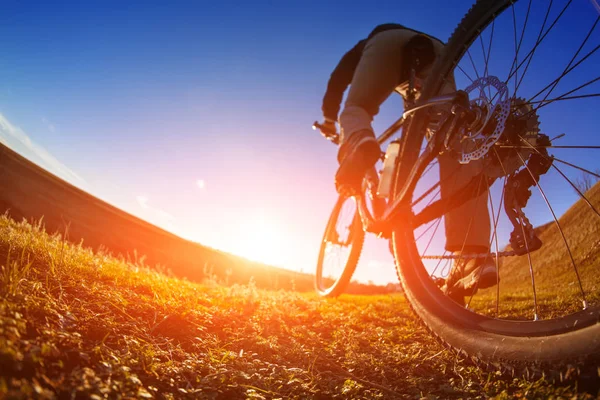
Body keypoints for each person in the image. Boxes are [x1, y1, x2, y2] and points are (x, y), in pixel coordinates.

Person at [318, 23, 498, 305]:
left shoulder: (371, 39)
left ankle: (360, 144)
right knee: (450, 137)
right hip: (439, 49)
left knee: (356, 111)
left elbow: (339, 77)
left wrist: (329, 118)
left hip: (387, 44)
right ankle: (472, 255)